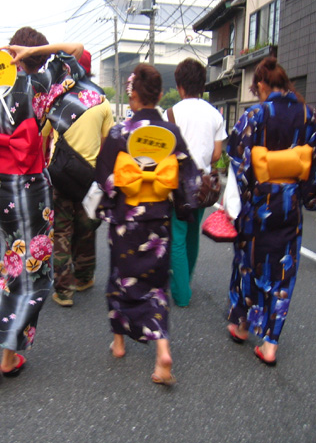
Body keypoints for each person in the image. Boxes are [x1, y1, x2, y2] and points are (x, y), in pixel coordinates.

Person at [0, 27, 84, 377]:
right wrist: (42, 49)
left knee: (1, 264)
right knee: (33, 272)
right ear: (42, 56)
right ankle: (9, 352)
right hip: (31, 190)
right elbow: (76, 53)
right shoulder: (41, 86)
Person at [226, 57, 316, 365]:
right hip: (289, 206)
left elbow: (238, 159)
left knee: (249, 263)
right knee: (282, 269)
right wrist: (305, 193)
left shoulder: (255, 115)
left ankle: (242, 325)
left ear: (262, 84)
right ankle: (270, 343)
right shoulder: (309, 116)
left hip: (257, 205)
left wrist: (250, 191)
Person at [95, 63, 199, 385]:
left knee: (122, 280)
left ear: (134, 95)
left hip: (127, 221)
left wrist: (113, 197)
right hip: (158, 221)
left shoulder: (121, 132)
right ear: (157, 95)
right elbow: (188, 175)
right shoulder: (171, 133)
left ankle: (119, 342)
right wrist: (184, 205)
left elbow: (102, 175)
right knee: (156, 286)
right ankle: (162, 353)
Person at [47, 49, 115, 307]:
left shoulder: (56, 99)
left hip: (61, 175)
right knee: (87, 228)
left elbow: (43, 139)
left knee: (61, 232)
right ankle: (85, 277)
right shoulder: (102, 102)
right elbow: (107, 145)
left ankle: (64, 291)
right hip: (90, 177)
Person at [163, 58, 227, 307]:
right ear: (202, 85)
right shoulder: (214, 114)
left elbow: (165, 152)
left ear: (179, 86)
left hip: (178, 184)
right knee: (192, 235)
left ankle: (181, 293)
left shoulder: (170, 113)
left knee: (176, 235)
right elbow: (216, 155)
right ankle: (184, 281)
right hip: (203, 185)